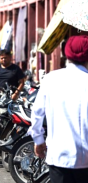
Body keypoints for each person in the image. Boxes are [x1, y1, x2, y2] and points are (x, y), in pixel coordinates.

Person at [28, 35, 88, 183]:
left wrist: (38, 139)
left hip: (59, 156)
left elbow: (36, 113)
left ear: (65, 54)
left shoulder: (51, 79)